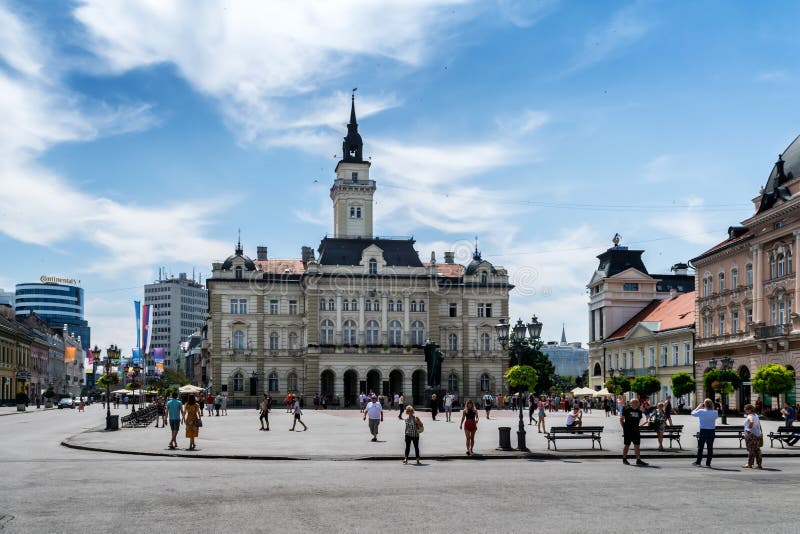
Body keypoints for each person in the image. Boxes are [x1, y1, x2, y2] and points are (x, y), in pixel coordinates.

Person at [620, 398, 648, 466]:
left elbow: (639, 421)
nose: (635, 404)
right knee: (627, 445)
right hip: (628, 431)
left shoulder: (639, 412)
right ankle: (624, 459)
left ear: (638, 404)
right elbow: (621, 419)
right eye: (634, 403)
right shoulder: (627, 410)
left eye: (636, 403)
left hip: (636, 430)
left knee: (637, 445)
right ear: (630, 404)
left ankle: (638, 460)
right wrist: (624, 428)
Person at [691, 398, 718, 467]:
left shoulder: (701, 411)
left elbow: (692, 413)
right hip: (711, 431)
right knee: (710, 448)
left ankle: (698, 462)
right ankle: (708, 463)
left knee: (701, 447)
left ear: (704, 404)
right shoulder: (715, 412)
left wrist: (698, 407)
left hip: (703, 431)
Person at [742, 403, 763, 469]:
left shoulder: (750, 416)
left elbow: (751, 422)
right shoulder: (756, 415)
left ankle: (749, 464)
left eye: (746, 410)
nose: (745, 411)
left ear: (749, 410)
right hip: (757, 434)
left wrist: (749, 429)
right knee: (757, 449)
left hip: (751, 435)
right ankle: (759, 464)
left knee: (751, 449)